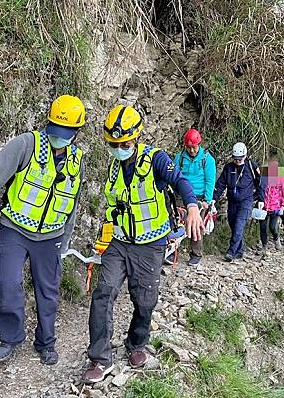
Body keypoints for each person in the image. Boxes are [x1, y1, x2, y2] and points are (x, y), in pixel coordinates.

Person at [0, 95, 87, 365]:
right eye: (55, 130)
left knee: (48, 291)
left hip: (50, 236)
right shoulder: (27, 144)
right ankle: (9, 338)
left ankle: (46, 342)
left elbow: (71, 203)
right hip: (14, 229)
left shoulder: (77, 160)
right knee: (7, 282)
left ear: (76, 132)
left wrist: (65, 242)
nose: (58, 137)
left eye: (65, 133)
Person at [81, 104, 204, 383]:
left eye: (123, 143)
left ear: (135, 138)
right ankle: (99, 358)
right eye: (113, 143)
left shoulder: (156, 159)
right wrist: (105, 237)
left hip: (150, 245)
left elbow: (179, 180)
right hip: (120, 243)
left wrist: (193, 205)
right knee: (104, 292)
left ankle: (136, 343)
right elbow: (113, 207)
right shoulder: (113, 167)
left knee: (145, 300)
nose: (118, 147)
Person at [212, 142, 263, 262]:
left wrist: (261, 199)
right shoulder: (228, 168)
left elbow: (260, 183)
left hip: (246, 201)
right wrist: (214, 198)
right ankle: (239, 251)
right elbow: (220, 184)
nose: (237, 161)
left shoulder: (252, 166)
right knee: (233, 225)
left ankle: (231, 251)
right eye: (235, 159)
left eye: (240, 159)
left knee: (239, 226)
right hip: (232, 201)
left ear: (245, 156)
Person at [173, 128, 216, 266]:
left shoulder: (207, 160)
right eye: (189, 147)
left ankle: (196, 254)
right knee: (175, 224)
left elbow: (210, 181)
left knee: (196, 226)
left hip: (199, 197)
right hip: (181, 195)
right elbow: (174, 176)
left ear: (199, 145)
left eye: (194, 147)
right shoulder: (179, 158)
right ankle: (172, 251)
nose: (191, 151)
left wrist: (207, 200)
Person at [259, 158, 284, 252]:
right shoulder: (264, 177)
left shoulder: (281, 178)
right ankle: (264, 246)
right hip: (263, 207)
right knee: (262, 227)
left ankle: (276, 238)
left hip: (275, 207)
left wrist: (283, 205)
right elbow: (260, 189)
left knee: (272, 227)